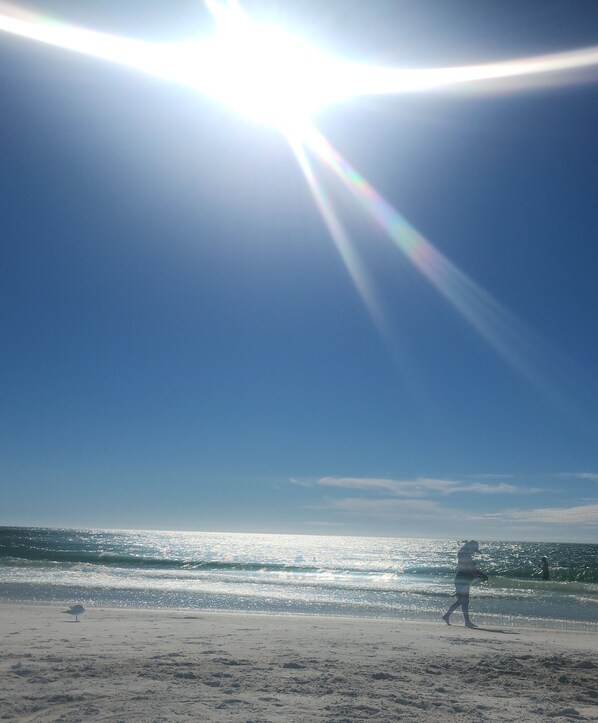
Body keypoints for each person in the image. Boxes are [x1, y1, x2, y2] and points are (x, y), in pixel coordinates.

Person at [442, 540, 488, 628]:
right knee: (464, 601)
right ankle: (465, 621)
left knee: (462, 601)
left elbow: (470, 569)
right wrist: (480, 576)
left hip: (463, 580)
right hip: (462, 581)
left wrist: (477, 575)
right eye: (474, 549)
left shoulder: (463, 554)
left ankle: (448, 616)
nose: (474, 552)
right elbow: (470, 569)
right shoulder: (465, 555)